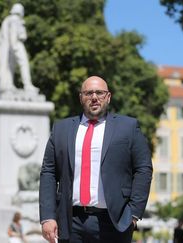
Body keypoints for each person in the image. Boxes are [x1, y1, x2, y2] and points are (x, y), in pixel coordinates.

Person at [39, 76, 153, 242]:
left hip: (114, 222)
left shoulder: (128, 127)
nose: (94, 97)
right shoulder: (61, 129)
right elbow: (48, 172)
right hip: (71, 222)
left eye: (99, 93)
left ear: (108, 97)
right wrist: (48, 216)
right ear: (81, 98)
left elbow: (143, 168)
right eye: (88, 93)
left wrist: (133, 214)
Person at [0, 3, 38, 93]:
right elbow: (13, 34)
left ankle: (9, 84)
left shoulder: (8, 20)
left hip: (9, 47)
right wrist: (15, 47)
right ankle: (27, 85)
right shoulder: (15, 20)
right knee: (24, 64)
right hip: (16, 44)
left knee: (10, 66)